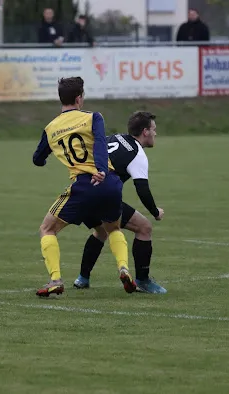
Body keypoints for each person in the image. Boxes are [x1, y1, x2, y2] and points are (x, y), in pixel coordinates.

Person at [32, 76, 136, 297]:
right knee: (113, 228)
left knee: (47, 229)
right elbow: (99, 141)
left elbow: (37, 159)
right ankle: (124, 268)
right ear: (79, 98)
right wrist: (101, 168)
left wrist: (48, 154)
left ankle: (56, 279)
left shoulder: (50, 128)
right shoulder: (93, 117)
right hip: (109, 183)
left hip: (83, 184)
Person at [73, 111, 166, 294]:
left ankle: (82, 279)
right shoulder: (137, 154)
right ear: (145, 131)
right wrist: (155, 212)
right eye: (154, 129)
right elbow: (142, 190)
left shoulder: (114, 137)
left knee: (100, 231)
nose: (156, 133)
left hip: (81, 191)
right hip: (103, 195)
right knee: (144, 228)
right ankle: (143, 281)